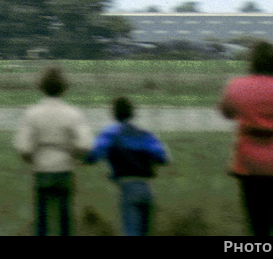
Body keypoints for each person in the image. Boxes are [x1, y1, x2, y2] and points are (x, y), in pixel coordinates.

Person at [218, 40, 273, 237]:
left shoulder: (236, 85)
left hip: (248, 160)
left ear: (252, 62)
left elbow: (227, 113)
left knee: (258, 221)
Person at [13, 65, 93, 236]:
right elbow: (85, 144)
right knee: (65, 219)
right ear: (64, 88)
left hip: (41, 169)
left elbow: (23, 147)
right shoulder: (73, 113)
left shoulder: (31, 113)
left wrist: (33, 159)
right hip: (64, 169)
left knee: (41, 219)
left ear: (42, 87)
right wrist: (72, 155)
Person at [86, 96, 169, 236]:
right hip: (147, 188)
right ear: (132, 113)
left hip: (127, 188)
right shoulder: (145, 134)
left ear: (114, 113)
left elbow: (94, 156)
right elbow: (162, 157)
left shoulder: (111, 133)